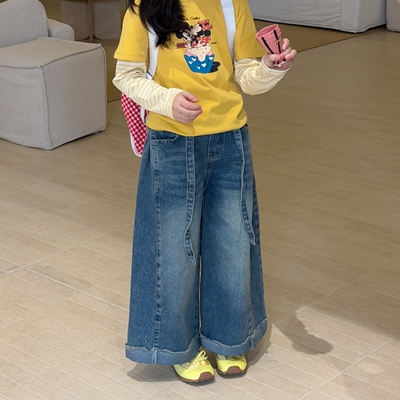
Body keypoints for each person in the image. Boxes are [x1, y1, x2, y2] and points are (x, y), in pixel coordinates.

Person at [113, 0, 297, 384]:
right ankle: (178, 346)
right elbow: (126, 76)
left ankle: (228, 338)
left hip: (230, 138)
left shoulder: (231, 4)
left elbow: (246, 74)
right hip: (171, 141)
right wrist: (167, 100)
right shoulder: (144, 7)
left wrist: (270, 68)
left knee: (233, 241)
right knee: (173, 248)